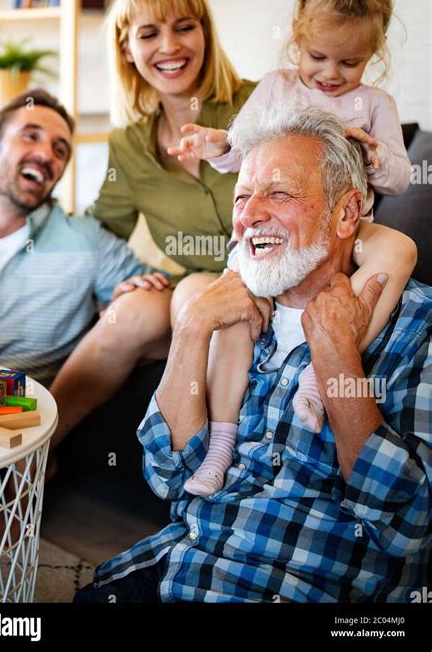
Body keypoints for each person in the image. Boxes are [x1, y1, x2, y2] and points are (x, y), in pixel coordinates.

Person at [75, 104, 431, 603]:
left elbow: (406, 524)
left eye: (279, 193)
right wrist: (194, 325)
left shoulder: (417, 326)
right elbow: (167, 474)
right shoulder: (232, 308)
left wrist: (337, 359)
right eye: (243, 196)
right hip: (179, 567)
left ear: (348, 212)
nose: (249, 214)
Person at [169, 0, 417, 495]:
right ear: (295, 43)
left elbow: (401, 178)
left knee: (398, 247)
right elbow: (239, 146)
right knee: (235, 319)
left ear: (372, 57)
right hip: (277, 238)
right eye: (317, 57)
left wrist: (375, 155)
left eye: (349, 63)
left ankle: (320, 371)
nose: (330, 74)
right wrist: (214, 145)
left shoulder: (374, 103)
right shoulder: (279, 87)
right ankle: (221, 448)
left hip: (346, 231)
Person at [48, 0, 257, 450]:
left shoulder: (261, 103)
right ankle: (35, 454)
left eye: (184, 26)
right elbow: (97, 229)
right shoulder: (129, 145)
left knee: (195, 301)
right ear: (127, 49)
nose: (170, 46)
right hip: (196, 299)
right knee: (133, 308)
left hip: (269, 285)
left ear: (205, 31)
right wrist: (4, 209)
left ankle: (201, 468)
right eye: (149, 33)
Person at [0, 89, 167, 387]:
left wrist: (135, 296)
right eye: (30, 136)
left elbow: (167, 309)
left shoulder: (88, 240)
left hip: (30, 422)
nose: (45, 155)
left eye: (60, 150)